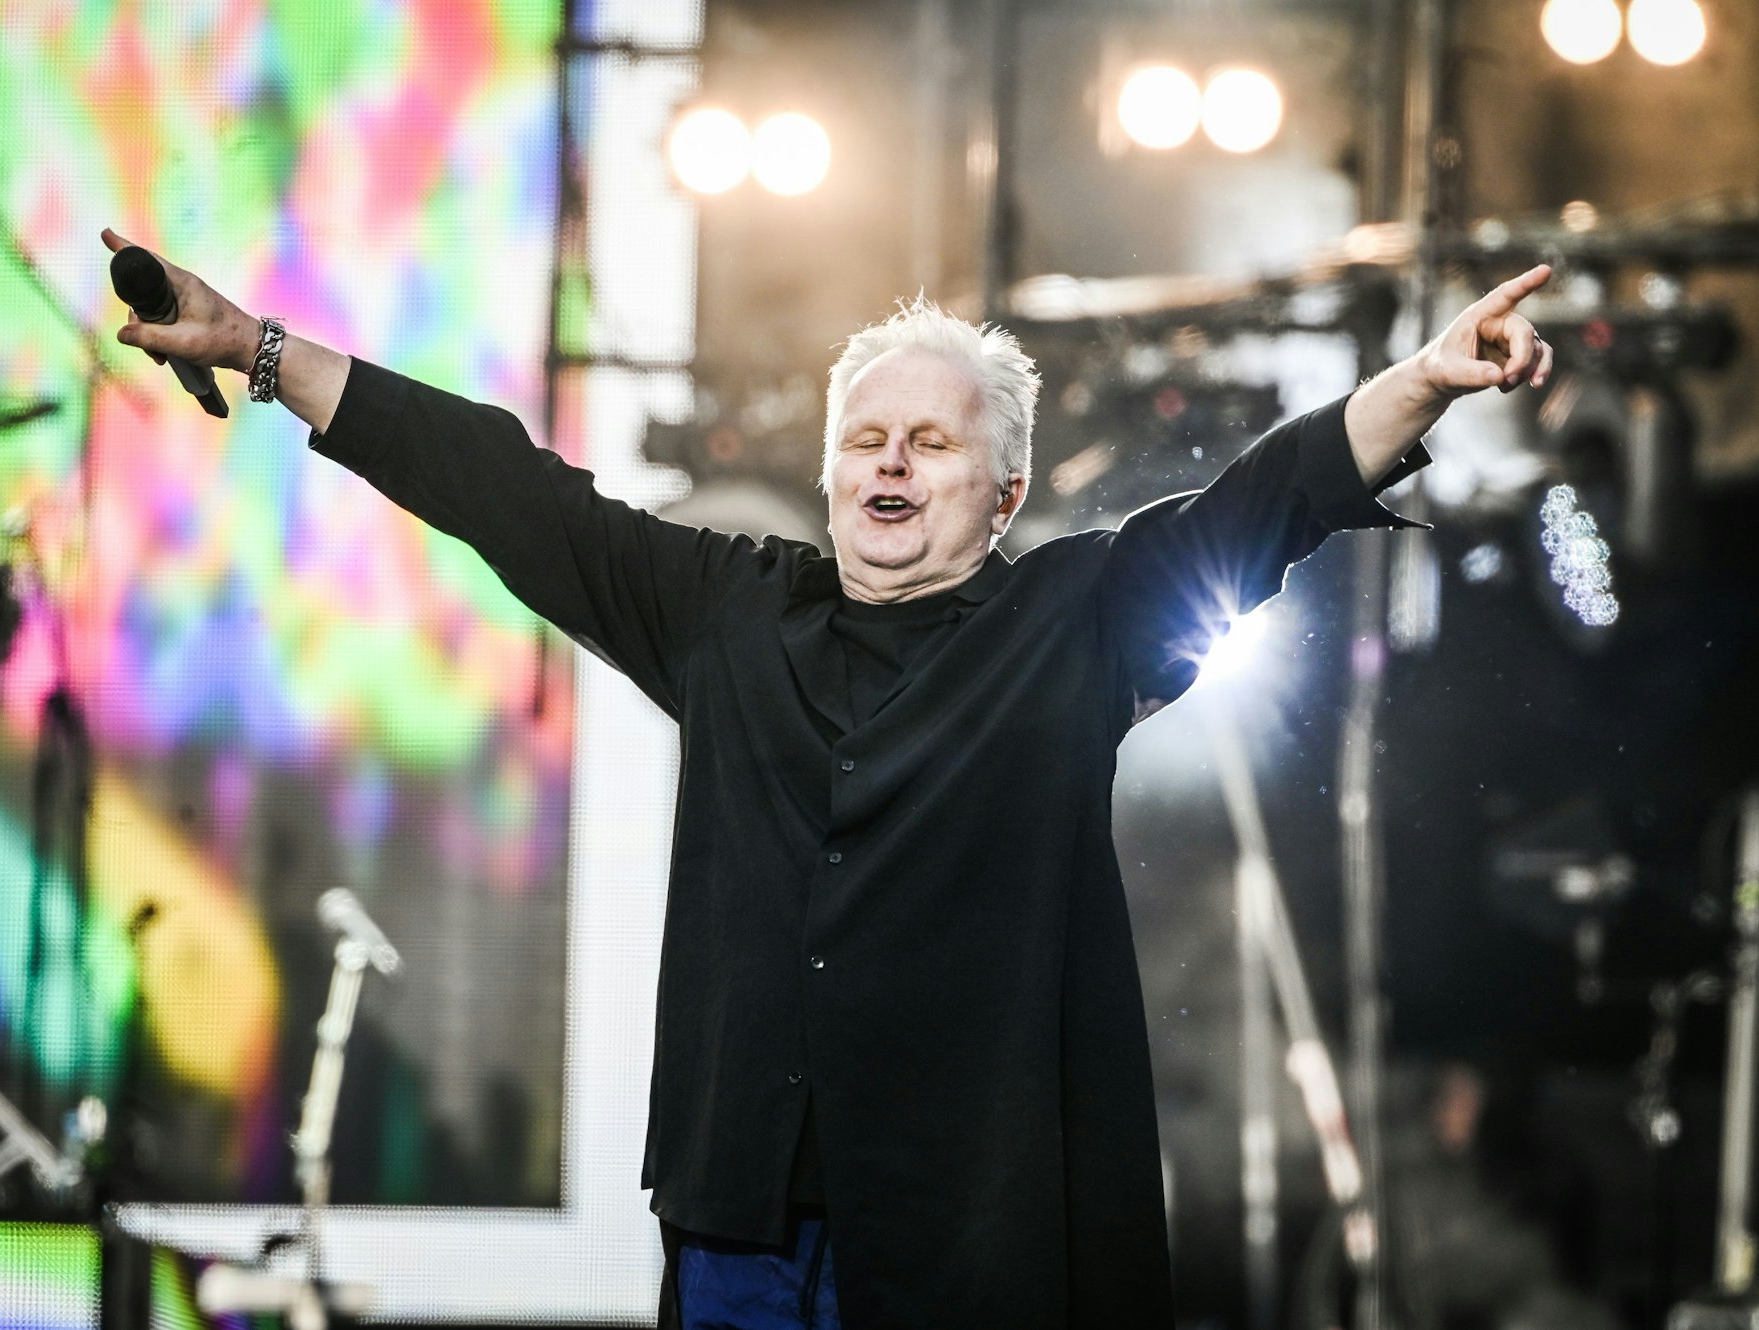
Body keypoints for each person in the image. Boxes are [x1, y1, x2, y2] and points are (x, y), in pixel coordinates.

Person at [102, 226, 1554, 1330]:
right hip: (739, 1213)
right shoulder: (729, 611)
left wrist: (1420, 382)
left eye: (931, 442)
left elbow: (1257, 507)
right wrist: (257, 346)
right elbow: (501, 486)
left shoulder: (1071, 621)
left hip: (966, 1236)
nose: (889, 463)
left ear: (1001, 493)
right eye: (864, 437)